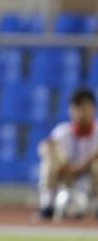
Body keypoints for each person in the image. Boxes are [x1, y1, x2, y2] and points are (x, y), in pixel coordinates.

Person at [36, 87, 98, 222]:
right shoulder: (62, 131)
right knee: (49, 162)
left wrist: (81, 166)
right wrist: (60, 161)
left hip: (87, 176)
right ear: (71, 110)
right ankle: (48, 205)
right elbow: (44, 146)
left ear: (93, 109)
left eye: (85, 108)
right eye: (77, 108)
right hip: (66, 174)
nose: (81, 114)